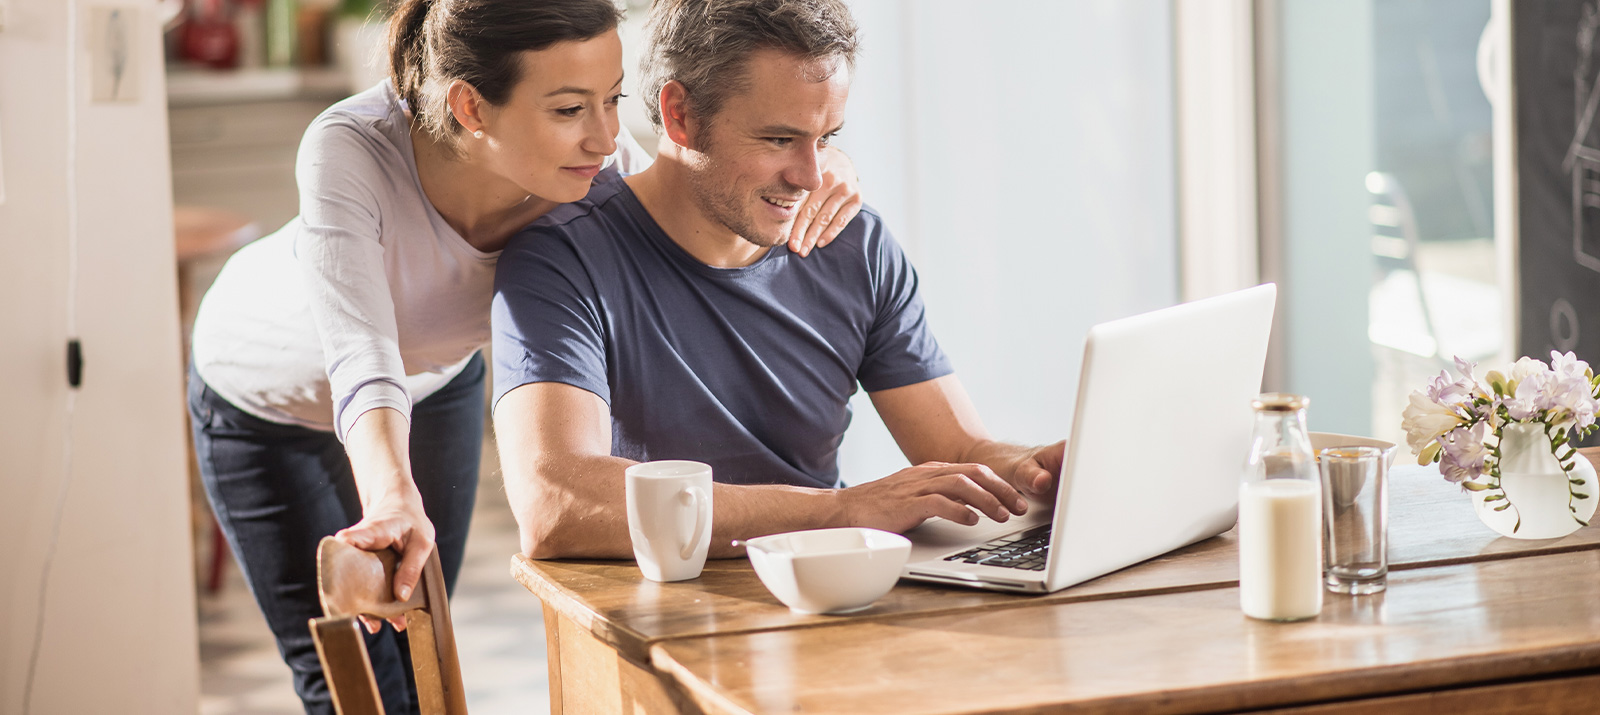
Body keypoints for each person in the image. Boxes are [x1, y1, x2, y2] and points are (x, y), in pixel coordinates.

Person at [186, 0, 860, 711]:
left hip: (432, 385)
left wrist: (824, 155)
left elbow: (696, 188)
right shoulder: (351, 147)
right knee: (351, 678)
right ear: (471, 107)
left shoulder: (599, 172)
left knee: (419, 659)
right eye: (570, 109)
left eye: (613, 100)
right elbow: (361, 350)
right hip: (259, 401)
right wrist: (390, 492)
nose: (605, 138)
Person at [491, 0, 1065, 562]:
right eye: (778, 139)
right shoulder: (563, 257)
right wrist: (838, 512)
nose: (810, 176)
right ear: (680, 116)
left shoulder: (855, 246)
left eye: (827, 139)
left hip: (831, 605)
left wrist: (1032, 469)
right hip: (658, 617)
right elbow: (556, 505)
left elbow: (961, 451)